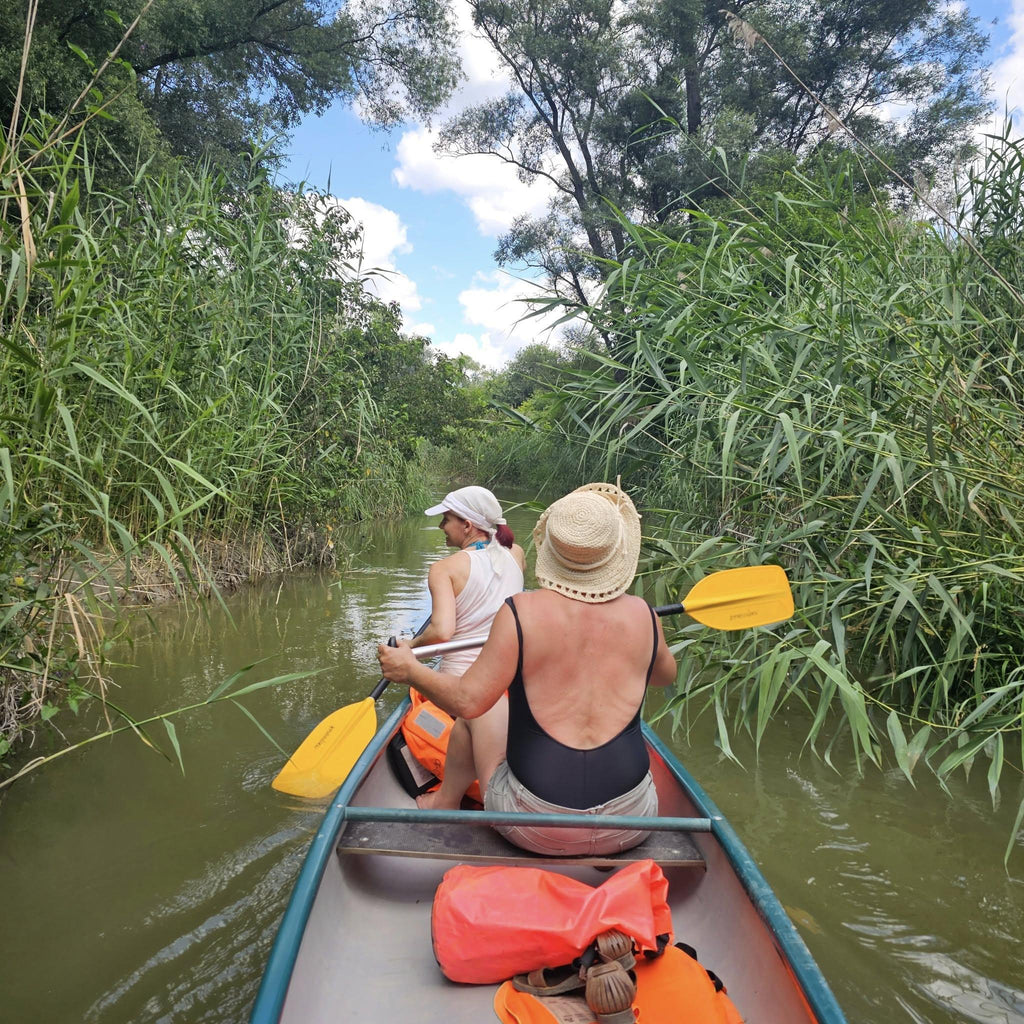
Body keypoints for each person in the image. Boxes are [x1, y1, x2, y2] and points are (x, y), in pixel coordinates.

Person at [378, 481, 677, 856]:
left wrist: (409, 669)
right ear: (617, 552)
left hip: (538, 828)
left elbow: (468, 701)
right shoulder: (645, 616)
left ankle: (443, 805)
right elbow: (665, 676)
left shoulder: (521, 612)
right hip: (630, 823)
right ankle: (601, 846)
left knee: (480, 710)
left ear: (551, 549)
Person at [408, 486, 525, 674]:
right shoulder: (516, 553)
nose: (440, 526)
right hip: (506, 678)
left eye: (445, 520)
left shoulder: (443, 569)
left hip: (459, 679)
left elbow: (441, 632)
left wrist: (410, 645)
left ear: (467, 525)